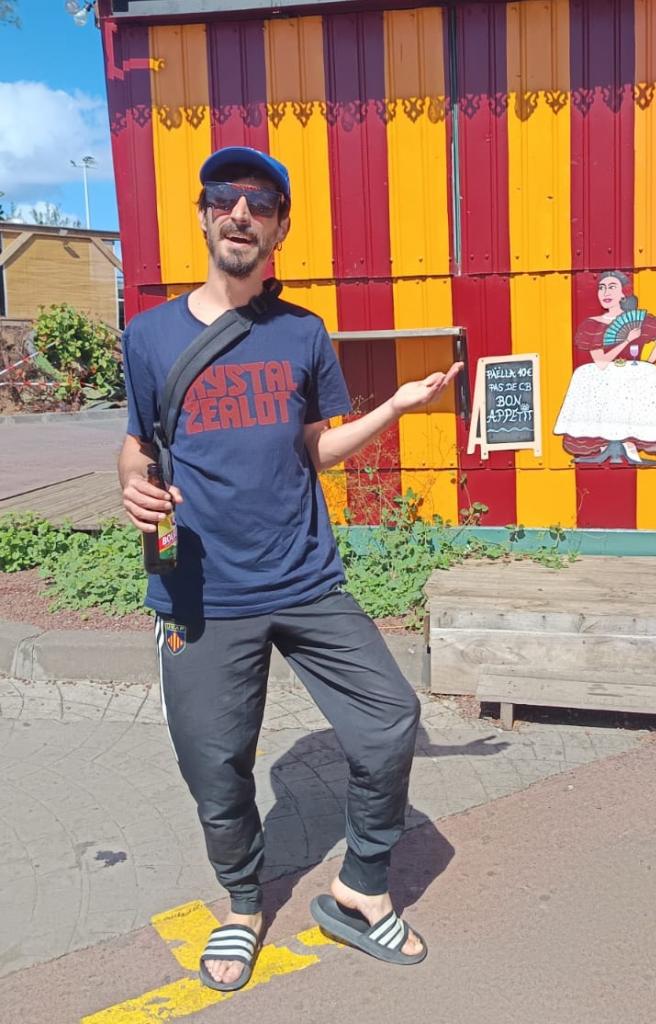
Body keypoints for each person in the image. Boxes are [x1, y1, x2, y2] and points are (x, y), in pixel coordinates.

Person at [118, 145, 462, 992]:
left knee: (389, 718)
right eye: (224, 198)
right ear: (204, 216)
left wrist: (394, 407)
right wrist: (133, 484)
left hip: (305, 579)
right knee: (214, 763)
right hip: (201, 590)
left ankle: (359, 889)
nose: (240, 212)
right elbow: (137, 443)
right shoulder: (149, 335)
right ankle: (243, 905)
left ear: (279, 229)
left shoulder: (302, 332)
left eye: (260, 203)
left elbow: (316, 448)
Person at [554, 271, 656, 466]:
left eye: (612, 287)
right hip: (602, 375)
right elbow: (601, 361)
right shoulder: (592, 325)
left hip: (632, 376)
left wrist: (647, 362)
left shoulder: (639, 320)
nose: (605, 292)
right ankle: (609, 446)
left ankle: (627, 445)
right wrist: (626, 340)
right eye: (601, 288)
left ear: (623, 293)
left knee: (645, 379)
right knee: (588, 380)